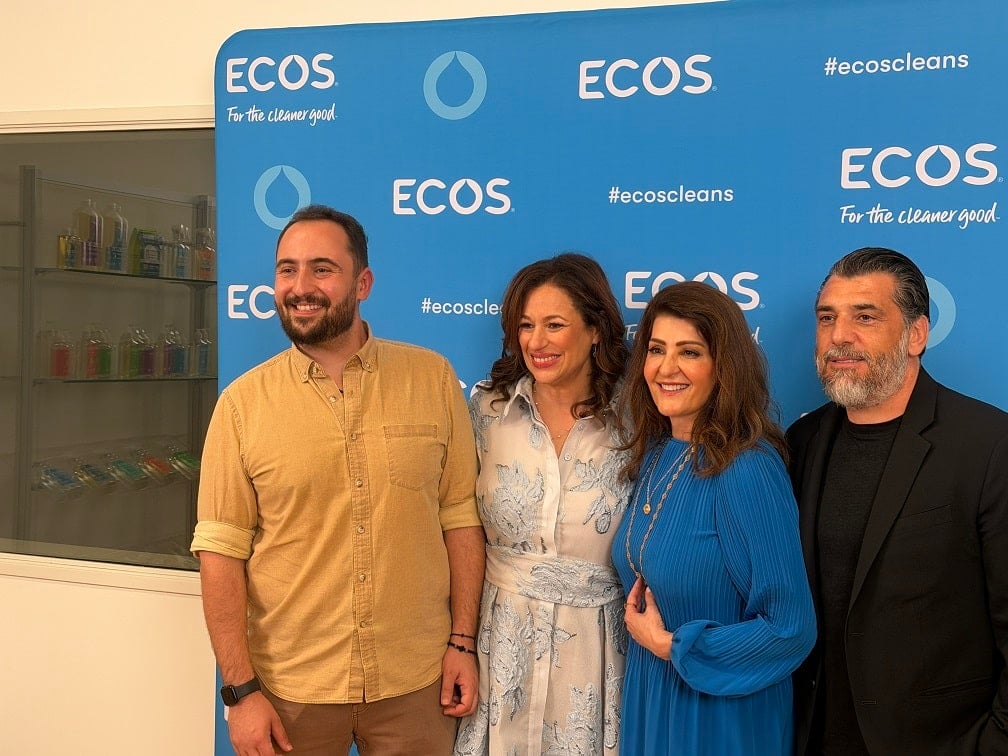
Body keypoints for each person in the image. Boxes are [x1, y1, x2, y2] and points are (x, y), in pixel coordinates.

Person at [190, 205, 485, 756]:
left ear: (362, 283)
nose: (301, 287)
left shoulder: (433, 378)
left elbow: (460, 518)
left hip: (416, 683)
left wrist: (463, 643)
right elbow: (221, 555)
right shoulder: (240, 407)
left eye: (322, 269)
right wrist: (239, 692)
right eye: (287, 270)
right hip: (289, 693)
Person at [788, 247, 1008, 755]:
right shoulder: (800, 444)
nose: (839, 335)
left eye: (865, 316)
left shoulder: (988, 446)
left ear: (916, 334)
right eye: (827, 317)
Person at [612, 281, 816, 755]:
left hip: (723, 719)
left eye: (689, 352)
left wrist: (672, 647)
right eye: (656, 349)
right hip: (654, 699)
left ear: (723, 366)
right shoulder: (658, 454)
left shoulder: (748, 467)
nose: (667, 368)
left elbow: (791, 626)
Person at [454, 253, 633, 756]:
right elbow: (458, 527)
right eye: (525, 326)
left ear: (596, 329)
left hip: (599, 652)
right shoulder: (488, 409)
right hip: (497, 644)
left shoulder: (639, 419)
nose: (536, 342)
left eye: (555, 325)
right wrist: (460, 641)